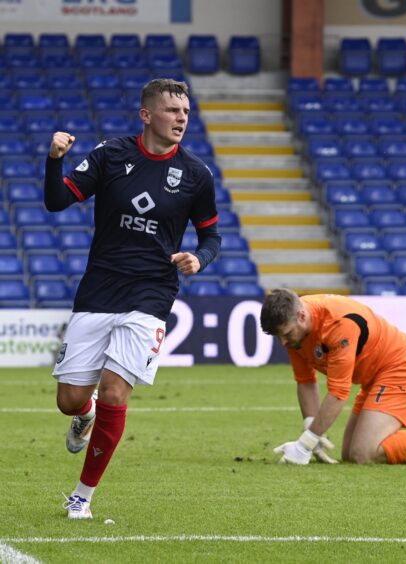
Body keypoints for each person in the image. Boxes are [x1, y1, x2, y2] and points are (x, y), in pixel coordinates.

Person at [44, 78, 221, 519]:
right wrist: (54, 161)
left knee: (116, 392)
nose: (182, 118)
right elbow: (56, 201)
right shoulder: (111, 155)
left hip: (152, 294)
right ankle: (83, 415)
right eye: (172, 110)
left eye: (185, 111)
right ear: (146, 115)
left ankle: (81, 496)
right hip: (99, 290)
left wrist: (199, 258)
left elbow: (211, 235)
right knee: (69, 399)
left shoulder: (197, 174)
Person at [260, 289, 406, 466]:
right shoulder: (295, 331)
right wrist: (311, 430)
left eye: (287, 334)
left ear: (301, 316)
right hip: (374, 377)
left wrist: (305, 445)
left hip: (403, 368)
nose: (284, 343)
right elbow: (306, 381)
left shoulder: (338, 324)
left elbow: (338, 393)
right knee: (350, 455)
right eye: (279, 337)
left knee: (365, 453)